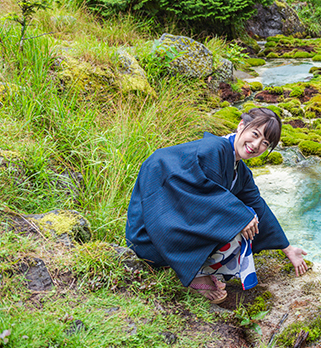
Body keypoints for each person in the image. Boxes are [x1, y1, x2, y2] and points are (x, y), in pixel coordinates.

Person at [125, 107, 308, 304]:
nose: (255, 145)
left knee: (248, 217)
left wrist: (288, 249)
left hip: (168, 231)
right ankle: (196, 275)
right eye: (254, 134)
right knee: (241, 222)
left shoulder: (241, 170)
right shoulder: (214, 149)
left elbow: (258, 205)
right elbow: (199, 195)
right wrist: (241, 216)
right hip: (150, 237)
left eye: (265, 143)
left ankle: (198, 267)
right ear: (241, 126)